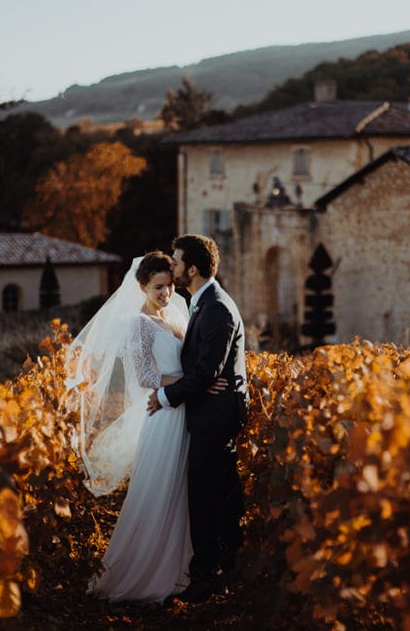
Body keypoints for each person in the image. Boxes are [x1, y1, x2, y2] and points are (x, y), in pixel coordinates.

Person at [66, 251, 225, 604]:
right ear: (142, 287)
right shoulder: (138, 324)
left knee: (185, 493)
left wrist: (196, 382)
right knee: (160, 490)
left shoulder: (176, 311)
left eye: (168, 286)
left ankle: (183, 568)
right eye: (157, 288)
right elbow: (147, 376)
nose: (166, 294)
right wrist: (196, 381)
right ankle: (145, 573)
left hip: (185, 410)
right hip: (164, 415)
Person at [147, 234, 248, 603]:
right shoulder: (203, 303)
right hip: (209, 411)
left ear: (191, 268)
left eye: (175, 262)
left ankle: (207, 576)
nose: (172, 268)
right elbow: (205, 368)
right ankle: (220, 567)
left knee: (206, 496)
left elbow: (208, 371)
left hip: (216, 416)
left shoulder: (217, 307)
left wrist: (165, 396)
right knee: (216, 492)